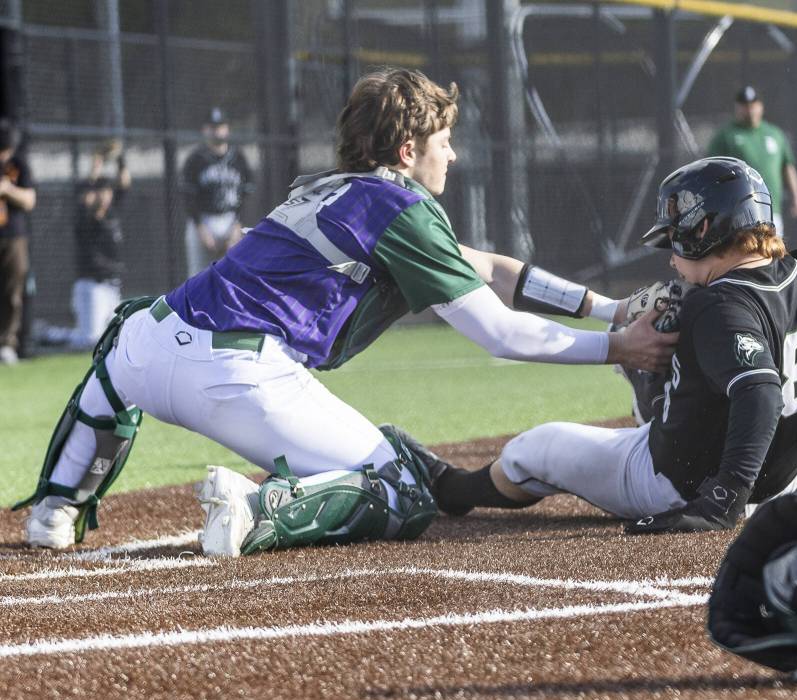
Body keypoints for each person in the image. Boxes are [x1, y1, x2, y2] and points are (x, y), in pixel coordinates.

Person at [18, 68, 677, 556]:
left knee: (119, 349)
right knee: (400, 489)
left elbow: (494, 268)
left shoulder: (326, 187)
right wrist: (622, 347)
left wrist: (610, 307)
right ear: (404, 150)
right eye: (442, 139)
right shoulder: (405, 211)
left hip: (153, 336)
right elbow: (501, 332)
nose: (451, 152)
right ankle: (257, 507)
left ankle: (55, 507)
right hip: (237, 372)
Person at [428, 157, 797, 532]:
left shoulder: (712, 302)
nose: (670, 251)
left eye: (676, 235)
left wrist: (720, 501)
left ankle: (448, 489)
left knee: (540, 446)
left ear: (705, 228)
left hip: (682, 478)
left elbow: (758, 394)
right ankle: (651, 393)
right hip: (782, 479)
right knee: (681, 346)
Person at [708, 86, 797, 237]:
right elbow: (712, 171)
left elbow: (787, 167)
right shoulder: (726, 136)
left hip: (772, 210)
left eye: (753, 105)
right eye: (744, 106)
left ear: (761, 106)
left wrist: (796, 197)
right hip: (740, 211)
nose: (749, 110)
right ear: (737, 108)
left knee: (773, 252)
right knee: (748, 253)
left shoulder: (775, 133)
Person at [67, 141, 131, 349]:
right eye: (99, 190)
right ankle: (51, 336)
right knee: (90, 340)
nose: (104, 194)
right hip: (91, 287)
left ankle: (56, 334)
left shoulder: (112, 213)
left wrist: (120, 160)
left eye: (106, 190)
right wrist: (97, 163)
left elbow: (124, 183)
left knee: (114, 338)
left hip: (112, 287)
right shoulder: (86, 217)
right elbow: (86, 195)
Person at [181, 107, 253, 276]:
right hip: (203, 220)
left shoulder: (238, 158)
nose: (217, 131)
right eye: (212, 127)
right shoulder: (195, 159)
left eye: (220, 126)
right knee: (197, 277)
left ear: (227, 128)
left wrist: (237, 225)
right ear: (204, 130)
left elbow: (246, 195)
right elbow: (189, 198)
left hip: (231, 219)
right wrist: (201, 228)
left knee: (234, 275)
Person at [0, 119, 37, 365]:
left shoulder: (18, 164)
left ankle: (7, 343)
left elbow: (29, 200)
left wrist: (6, 190)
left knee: (12, 291)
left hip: (12, 237)